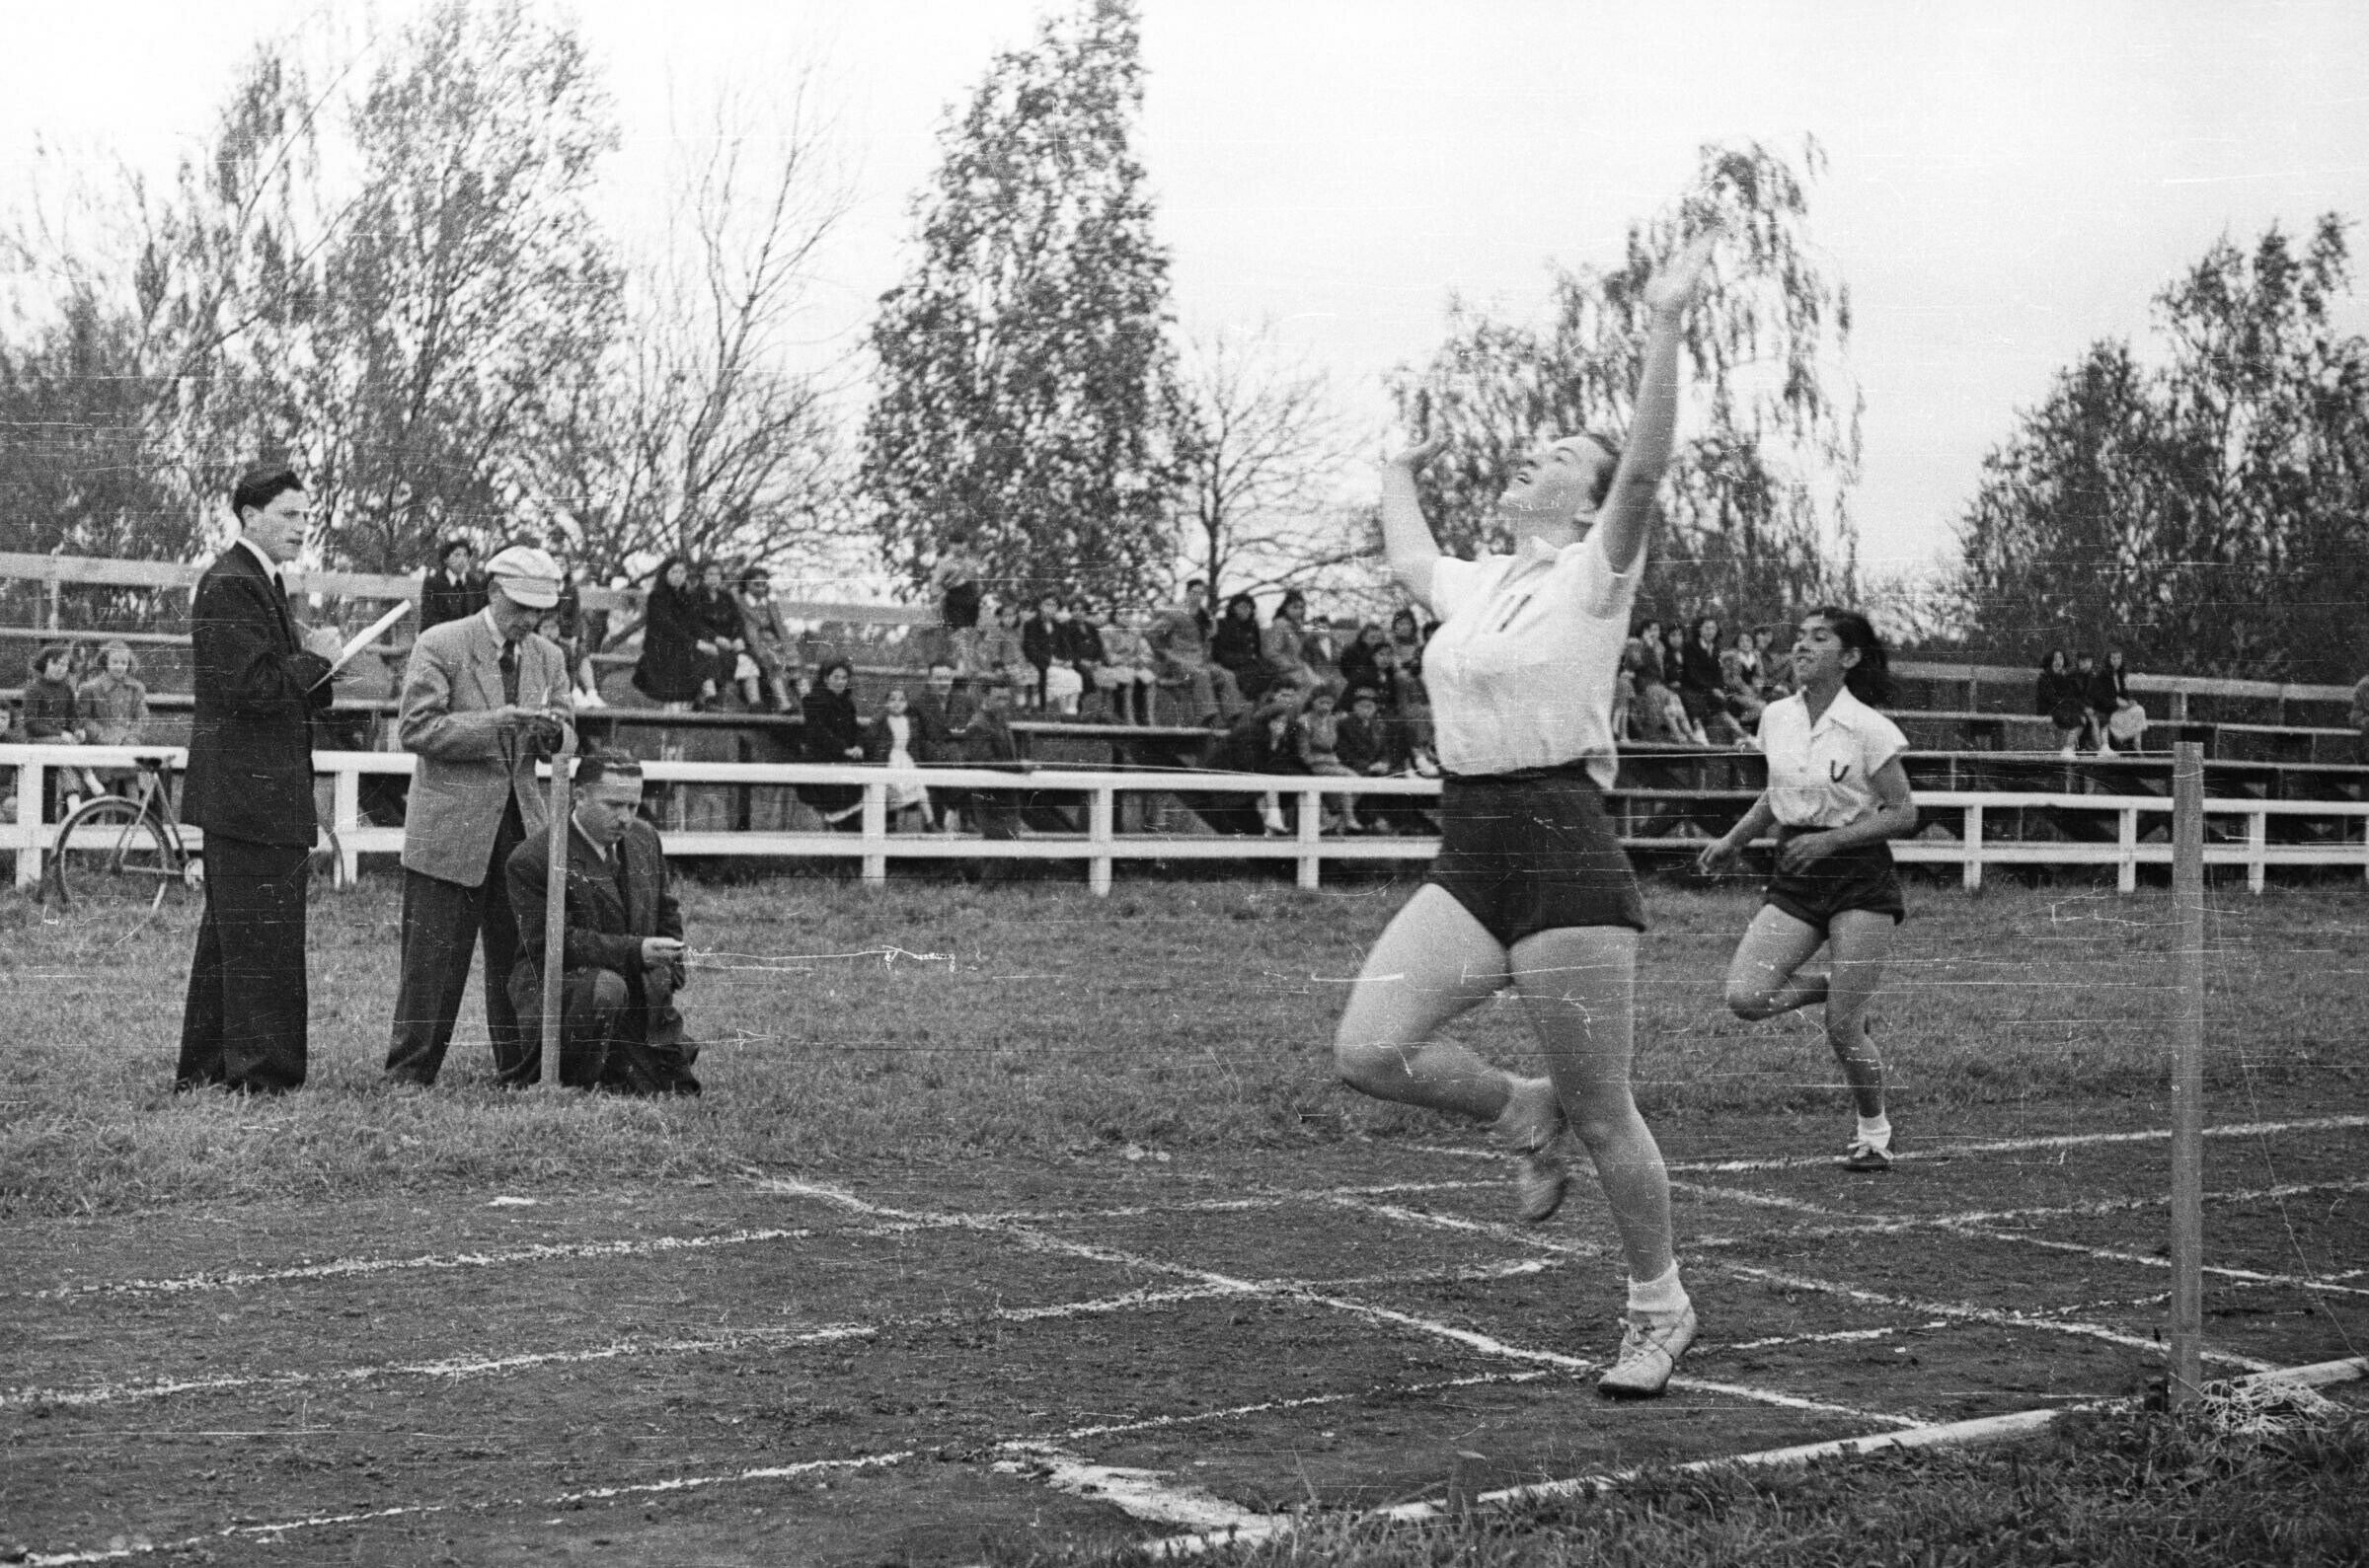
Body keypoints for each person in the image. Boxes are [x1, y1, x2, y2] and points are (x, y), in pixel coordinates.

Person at [1333, 227, 1718, 1399]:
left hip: (1563, 846)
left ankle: (1660, 1306)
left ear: (1583, 497)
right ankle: (1518, 1107)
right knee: (1370, 1049)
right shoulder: (1481, 583)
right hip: (1470, 843)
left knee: (1607, 1112)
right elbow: (1412, 561)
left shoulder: (1596, 571)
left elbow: (1643, 473)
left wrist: (1663, 323)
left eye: (1558, 453)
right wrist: (1395, 465)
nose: (1529, 457)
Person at [1696, 608, 1918, 1172]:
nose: (1802, 646)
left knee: (1843, 1028)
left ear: (1850, 658)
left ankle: (1874, 1133)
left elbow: (1903, 813)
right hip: (1796, 869)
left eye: (1820, 638)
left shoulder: (1869, 727)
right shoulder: (1776, 717)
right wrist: (1732, 841)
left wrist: (1832, 841)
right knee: (1746, 998)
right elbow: (1777, 796)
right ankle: (1838, 990)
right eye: (1799, 636)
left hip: (1859, 876)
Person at [177, 465, 345, 1093]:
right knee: (260, 940)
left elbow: (274, 683)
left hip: (256, 792)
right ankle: (262, 1076)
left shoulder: (259, 581)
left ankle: (209, 1070)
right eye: (288, 515)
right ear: (250, 516)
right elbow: (250, 688)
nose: (302, 527)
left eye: (306, 516)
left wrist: (321, 669)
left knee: (234, 940)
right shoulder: (232, 583)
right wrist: (317, 659)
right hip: (249, 795)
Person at [383, 546, 573, 1087]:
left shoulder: (549, 657)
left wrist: (554, 734)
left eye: (539, 610)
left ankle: (518, 1071)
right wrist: (494, 723)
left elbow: (568, 733)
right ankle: (410, 1073)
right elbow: (416, 729)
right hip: (449, 828)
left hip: (521, 828)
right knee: (432, 961)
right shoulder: (440, 642)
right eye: (520, 606)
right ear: (492, 592)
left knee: (518, 958)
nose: (529, 620)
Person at [505, 750, 700, 1095]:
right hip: (565, 996)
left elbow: (666, 911)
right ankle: (578, 1080)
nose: (625, 818)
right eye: (613, 805)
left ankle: (619, 1062)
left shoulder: (644, 838)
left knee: (676, 1085)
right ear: (579, 796)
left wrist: (669, 972)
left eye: (633, 806)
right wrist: (636, 952)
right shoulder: (534, 858)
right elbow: (554, 944)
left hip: (632, 993)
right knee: (607, 989)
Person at [632, 557, 707, 709]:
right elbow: (667, 626)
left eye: (682, 572)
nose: (678, 575)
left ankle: (698, 702)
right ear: (665, 574)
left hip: (683, 647)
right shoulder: (657, 597)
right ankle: (678, 711)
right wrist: (694, 642)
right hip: (661, 649)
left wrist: (702, 640)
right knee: (680, 662)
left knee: (706, 658)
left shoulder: (687, 598)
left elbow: (694, 624)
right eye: (673, 572)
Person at [799, 658, 867, 827]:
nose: (840, 682)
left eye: (844, 678)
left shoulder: (848, 703)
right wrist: (843, 749)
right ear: (825, 678)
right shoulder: (812, 700)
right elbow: (819, 732)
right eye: (836, 677)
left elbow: (855, 729)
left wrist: (858, 746)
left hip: (845, 757)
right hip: (821, 757)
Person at [738, 572, 802, 712]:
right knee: (772, 661)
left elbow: (780, 628)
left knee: (794, 662)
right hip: (751, 642)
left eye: (763, 584)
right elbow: (748, 630)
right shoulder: (741, 603)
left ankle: (807, 701)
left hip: (773, 642)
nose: (761, 587)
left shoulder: (770, 604)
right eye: (756, 584)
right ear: (747, 583)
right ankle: (783, 703)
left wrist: (790, 649)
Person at [1210, 593, 1268, 705]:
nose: (1247, 610)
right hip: (1231, 665)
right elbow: (1219, 653)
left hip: (1251, 663)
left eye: (1250, 607)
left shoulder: (1252, 625)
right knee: (1252, 675)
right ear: (1233, 608)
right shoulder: (1224, 624)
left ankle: (1264, 702)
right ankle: (1250, 702)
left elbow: (1257, 650)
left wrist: (1257, 660)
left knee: (1269, 670)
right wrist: (1245, 659)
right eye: (1243, 607)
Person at [420, 539, 486, 632]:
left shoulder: (474, 584)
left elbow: (480, 616)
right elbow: (428, 620)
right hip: (441, 636)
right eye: (457, 555)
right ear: (445, 559)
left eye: (465, 555)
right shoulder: (433, 583)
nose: (462, 560)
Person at [2034, 649, 2085, 757]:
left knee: (2082, 717)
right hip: (2049, 708)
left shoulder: (2066, 676)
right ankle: (2068, 748)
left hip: (2063, 708)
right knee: (2077, 720)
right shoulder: (2044, 677)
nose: (2058, 661)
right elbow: (2049, 697)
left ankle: (2070, 749)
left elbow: (2072, 695)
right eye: (2055, 658)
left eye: (2060, 658)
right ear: (2050, 661)